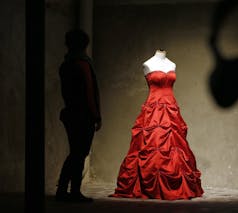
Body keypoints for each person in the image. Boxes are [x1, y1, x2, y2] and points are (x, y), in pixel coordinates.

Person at [110, 49, 203, 200]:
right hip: (153, 109)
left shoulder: (172, 64)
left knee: (175, 147)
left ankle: (176, 186)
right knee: (152, 143)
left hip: (171, 109)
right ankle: (150, 185)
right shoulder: (147, 64)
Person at [56, 29, 102, 202]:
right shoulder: (83, 63)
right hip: (83, 114)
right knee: (79, 153)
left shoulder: (66, 63)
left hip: (71, 112)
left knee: (75, 152)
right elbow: (89, 92)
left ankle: (64, 189)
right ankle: (72, 191)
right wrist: (96, 115)